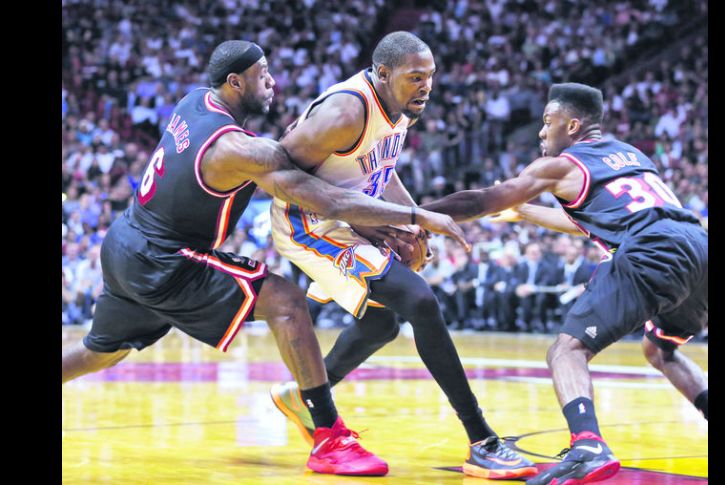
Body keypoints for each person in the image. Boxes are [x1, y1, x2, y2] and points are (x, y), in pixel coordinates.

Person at [61, 40, 472, 477]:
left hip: (123, 242)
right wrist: (414, 215)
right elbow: (328, 200)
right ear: (235, 82)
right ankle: (329, 438)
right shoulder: (240, 149)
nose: (273, 82)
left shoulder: (194, 101)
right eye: (262, 75)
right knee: (287, 301)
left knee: (99, 353)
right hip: (165, 258)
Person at [268, 31, 537, 480]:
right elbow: (278, 172)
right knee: (419, 300)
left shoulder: (400, 107)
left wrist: (409, 222)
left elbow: (381, 170)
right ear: (383, 73)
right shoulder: (345, 113)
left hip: (349, 213)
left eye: (430, 76)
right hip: (307, 223)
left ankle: (305, 397)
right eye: (416, 77)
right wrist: (368, 221)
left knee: (381, 324)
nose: (426, 86)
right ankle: (482, 440)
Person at [422, 82, 708, 485]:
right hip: (698, 248)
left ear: (572, 125)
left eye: (547, 121)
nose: (541, 131)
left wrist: (414, 214)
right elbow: (589, 222)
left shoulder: (562, 165)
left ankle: (588, 447)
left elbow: (480, 201)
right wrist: (526, 212)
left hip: (651, 249)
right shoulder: (631, 155)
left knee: (566, 350)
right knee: (661, 351)